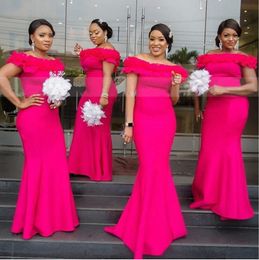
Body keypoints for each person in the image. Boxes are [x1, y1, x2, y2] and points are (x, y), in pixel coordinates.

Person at [105, 23, 187, 259]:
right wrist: (129, 124)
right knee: (150, 168)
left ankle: (160, 224)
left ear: (168, 43)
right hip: (143, 122)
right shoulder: (137, 61)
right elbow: (130, 94)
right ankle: (144, 225)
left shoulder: (174, 68)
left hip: (165, 123)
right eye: (152, 38)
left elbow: (174, 100)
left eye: (161, 40)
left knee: (158, 170)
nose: (156, 43)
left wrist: (175, 84)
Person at [0, 19, 79, 239]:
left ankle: (54, 218)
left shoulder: (56, 63)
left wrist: (58, 101)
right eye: (42, 35)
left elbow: (59, 93)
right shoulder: (23, 59)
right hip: (32, 119)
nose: (47, 39)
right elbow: (1, 76)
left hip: (51, 119)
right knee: (37, 166)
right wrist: (19, 102)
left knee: (55, 166)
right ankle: (32, 221)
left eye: (50, 35)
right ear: (32, 37)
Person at [191, 19, 257, 220]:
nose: (231, 39)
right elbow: (198, 82)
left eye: (235, 36)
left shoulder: (242, 57)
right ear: (219, 36)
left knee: (229, 150)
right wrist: (197, 107)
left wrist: (225, 90)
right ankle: (208, 194)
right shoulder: (209, 56)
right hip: (213, 108)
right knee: (210, 149)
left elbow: (253, 87)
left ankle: (228, 199)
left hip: (233, 109)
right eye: (227, 35)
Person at [68, 19, 120, 181]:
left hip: (102, 92)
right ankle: (81, 166)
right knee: (83, 127)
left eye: (96, 32)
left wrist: (104, 95)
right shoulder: (96, 50)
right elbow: (91, 66)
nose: (93, 36)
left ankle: (99, 169)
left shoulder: (108, 49)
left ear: (105, 32)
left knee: (98, 128)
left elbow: (107, 74)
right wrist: (81, 54)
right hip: (90, 92)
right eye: (90, 33)